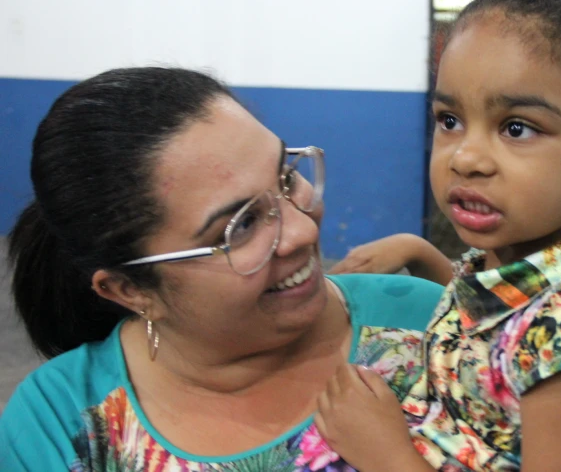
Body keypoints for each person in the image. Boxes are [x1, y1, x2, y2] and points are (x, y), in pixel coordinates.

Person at [316, 0, 561, 471]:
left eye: (517, 128)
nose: (466, 158)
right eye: (450, 119)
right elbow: (504, 335)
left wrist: (384, 452)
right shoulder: (531, 258)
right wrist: (421, 252)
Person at [0, 66, 449, 471]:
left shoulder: (428, 327)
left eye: (286, 178)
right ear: (128, 289)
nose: (301, 233)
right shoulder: (59, 423)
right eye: (242, 226)